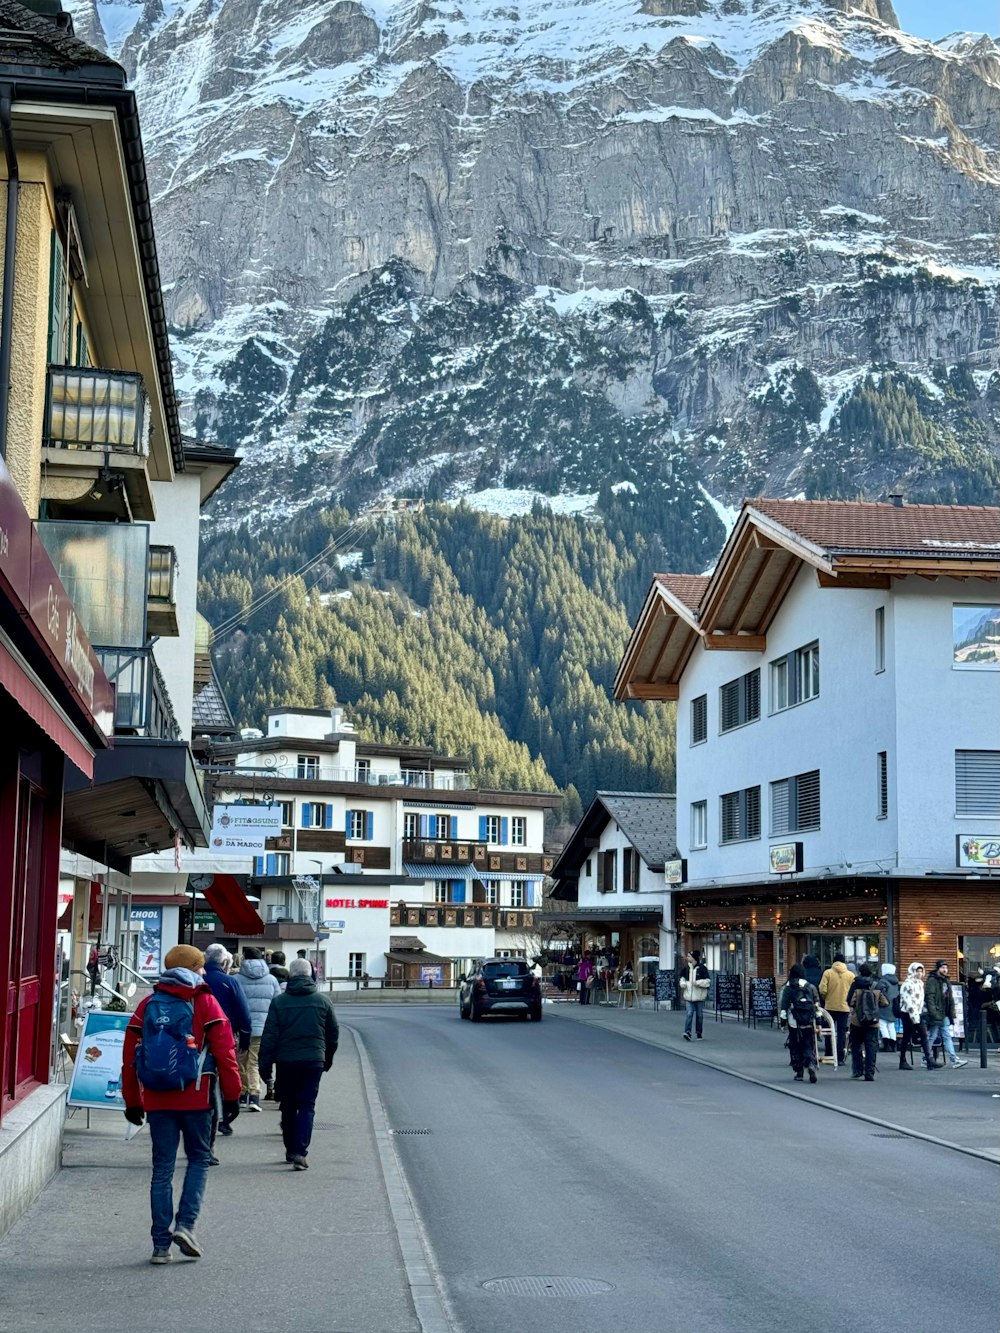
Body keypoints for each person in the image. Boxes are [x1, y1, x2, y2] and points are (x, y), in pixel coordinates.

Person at [121, 945, 241, 1264]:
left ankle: (160, 1245)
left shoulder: (147, 1005)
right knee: (199, 1159)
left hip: (158, 1101)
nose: (204, 971)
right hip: (197, 1098)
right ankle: (185, 1226)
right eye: (200, 966)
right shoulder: (205, 1002)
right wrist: (232, 1096)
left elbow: (129, 1060)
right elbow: (226, 1054)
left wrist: (133, 1100)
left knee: (162, 1169)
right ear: (194, 969)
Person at [258, 958, 339, 1170]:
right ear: (310, 975)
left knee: (288, 1106)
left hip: (286, 1062)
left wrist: (264, 1067)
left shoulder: (279, 1002)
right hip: (313, 1060)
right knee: (307, 1106)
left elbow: (269, 1036)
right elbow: (332, 1035)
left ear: (291, 976)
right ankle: (300, 1151)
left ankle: (290, 1150)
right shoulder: (323, 1001)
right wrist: (326, 1060)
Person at [234, 946, 281, 1110]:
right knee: (254, 1062)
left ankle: (243, 1094)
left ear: (244, 959)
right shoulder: (271, 979)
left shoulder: (237, 979)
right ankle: (254, 1096)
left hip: (242, 1028)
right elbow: (277, 1004)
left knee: (240, 1061)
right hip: (262, 1028)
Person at [779, 963, 820, 1082]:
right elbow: (817, 1006)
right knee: (808, 1044)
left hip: (794, 1021)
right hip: (808, 1020)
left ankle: (799, 1072)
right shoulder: (810, 987)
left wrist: (783, 1023)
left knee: (795, 1046)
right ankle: (811, 1064)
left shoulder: (788, 987)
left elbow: (784, 1007)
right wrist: (818, 1022)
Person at [846, 963, 888, 1080]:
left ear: (860, 972)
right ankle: (869, 1073)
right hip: (873, 1022)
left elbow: (850, 1001)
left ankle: (857, 1070)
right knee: (871, 1047)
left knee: (856, 1046)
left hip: (857, 1021)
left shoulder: (856, 984)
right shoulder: (877, 985)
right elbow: (885, 1003)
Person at [924, 960, 968, 1069]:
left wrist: (951, 1012)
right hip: (937, 1013)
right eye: (942, 967)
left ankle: (952, 1059)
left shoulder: (945, 981)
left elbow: (949, 998)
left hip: (944, 1013)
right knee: (933, 1036)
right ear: (938, 968)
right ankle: (926, 1058)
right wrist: (933, 1012)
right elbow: (930, 997)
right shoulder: (932, 981)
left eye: (946, 968)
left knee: (943, 1036)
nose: (945, 970)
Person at [898, 962, 937, 1070]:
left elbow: (919, 1000)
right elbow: (908, 1001)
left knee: (921, 1036)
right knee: (908, 1036)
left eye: (921, 971)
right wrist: (915, 1016)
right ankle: (904, 1060)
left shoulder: (920, 983)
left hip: (917, 1013)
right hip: (908, 1013)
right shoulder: (907, 984)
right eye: (917, 971)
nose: (919, 973)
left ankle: (929, 1060)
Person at [818, 952, 853, 1066]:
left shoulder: (827, 973)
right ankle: (840, 1057)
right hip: (844, 1007)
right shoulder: (850, 975)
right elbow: (853, 992)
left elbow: (822, 989)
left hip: (830, 1007)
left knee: (829, 1031)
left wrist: (826, 997)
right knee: (841, 1032)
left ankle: (829, 1054)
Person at [680, 949, 710, 1040]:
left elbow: (708, 981)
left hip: (699, 997)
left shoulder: (702, 969)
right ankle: (687, 1032)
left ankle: (699, 1033)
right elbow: (682, 979)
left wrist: (698, 982)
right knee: (689, 1014)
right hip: (689, 996)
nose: (687, 958)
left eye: (689, 956)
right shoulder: (686, 968)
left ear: (693, 958)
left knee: (699, 1015)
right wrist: (682, 984)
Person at [873, 963, 901, 1052]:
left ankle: (887, 1045)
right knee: (891, 1026)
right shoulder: (895, 982)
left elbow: (876, 992)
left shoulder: (883, 981)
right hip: (894, 1006)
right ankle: (893, 1046)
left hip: (884, 1006)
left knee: (882, 1025)